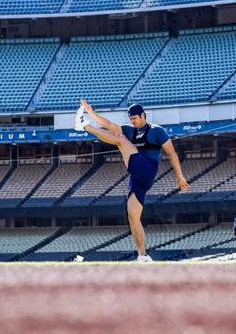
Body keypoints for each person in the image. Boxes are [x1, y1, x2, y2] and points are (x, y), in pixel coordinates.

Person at [75, 100, 189, 262]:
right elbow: (109, 124)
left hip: (147, 169)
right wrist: (91, 112)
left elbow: (172, 154)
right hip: (137, 178)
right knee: (133, 217)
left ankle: (84, 126)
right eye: (130, 119)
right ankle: (142, 255)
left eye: (135, 118)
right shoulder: (131, 130)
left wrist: (179, 176)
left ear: (143, 115)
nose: (132, 122)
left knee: (120, 140)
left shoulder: (157, 131)